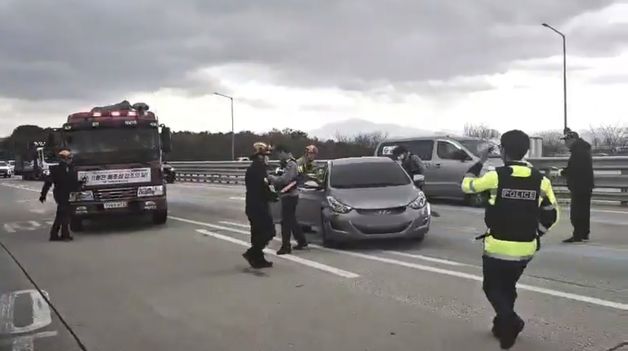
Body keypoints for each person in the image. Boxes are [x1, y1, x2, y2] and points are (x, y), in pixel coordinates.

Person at [461, 130, 558, 349]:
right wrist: (536, 234)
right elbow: (552, 214)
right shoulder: (541, 180)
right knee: (508, 287)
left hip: (497, 247)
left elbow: (467, 185)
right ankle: (500, 324)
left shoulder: (496, 175)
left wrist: (481, 160)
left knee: (491, 288)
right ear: (526, 150)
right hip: (526, 249)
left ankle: (512, 322)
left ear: (503, 150)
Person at [243, 142, 277, 269]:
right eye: (266, 155)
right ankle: (252, 253)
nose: (268, 158)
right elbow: (262, 188)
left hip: (254, 205)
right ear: (260, 157)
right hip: (258, 206)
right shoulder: (258, 169)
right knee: (268, 231)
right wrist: (272, 196)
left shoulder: (255, 168)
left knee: (257, 233)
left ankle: (258, 258)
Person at [268, 144, 308, 255]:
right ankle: (302, 241)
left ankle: (286, 246)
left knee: (285, 222)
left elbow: (285, 179)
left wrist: (271, 178)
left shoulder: (291, 164)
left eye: (279, 154)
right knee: (292, 220)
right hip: (287, 195)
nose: (278, 156)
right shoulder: (285, 164)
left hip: (290, 196)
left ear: (284, 152)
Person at [39, 148, 82, 242]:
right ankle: (64, 235)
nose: (71, 160)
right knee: (64, 214)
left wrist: (80, 184)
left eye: (71, 158)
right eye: (69, 158)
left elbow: (72, 182)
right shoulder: (56, 169)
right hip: (61, 194)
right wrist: (43, 195)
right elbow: (48, 183)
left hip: (69, 194)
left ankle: (55, 235)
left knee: (62, 215)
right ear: (64, 159)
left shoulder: (71, 169)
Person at [560, 129, 594, 243]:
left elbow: (575, 169)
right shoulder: (583, 149)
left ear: (572, 139)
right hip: (585, 184)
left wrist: (563, 172)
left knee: (576, 212)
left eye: (566, 140)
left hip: (579, 185)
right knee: (584, 211)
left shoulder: (578, 151)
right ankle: (584, 233)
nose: (565, 143)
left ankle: (578, 235)